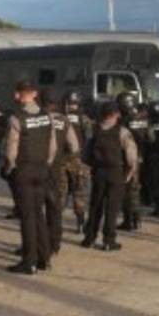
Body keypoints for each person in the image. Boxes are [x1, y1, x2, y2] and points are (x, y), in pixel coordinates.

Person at [3, 81, 57, 274]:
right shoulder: (47, 116)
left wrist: (11, 166)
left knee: (27, 217)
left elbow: (11, 150)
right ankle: (45, 258)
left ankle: (29, 262)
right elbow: (53, 147)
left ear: (18, 95)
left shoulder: (16, 118)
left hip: (24, 170)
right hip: (42, 169)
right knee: (39, 214)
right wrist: (46, 163)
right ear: (34, 94)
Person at [81, 101, 138, 250]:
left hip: (99, 173)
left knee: (95, 206)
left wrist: (93, 166)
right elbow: (132, 158)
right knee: (112, 209)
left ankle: (89, 238)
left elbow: (85, 155)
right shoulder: (123, 131)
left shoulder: (93, 130)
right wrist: (129, 174)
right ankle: (108, 240)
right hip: (116, 173)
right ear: (116, 114)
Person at [43, 88, 80, 253]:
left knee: (34, 210)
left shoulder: (35, 118)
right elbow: (74, 146)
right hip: (56, 168)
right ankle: (54, 244)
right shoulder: (64, 121)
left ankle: (34, 245)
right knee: (55, 208)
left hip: (35, 167)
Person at [59, 91, 92, 234]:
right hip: (78, 160)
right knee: (80, 194)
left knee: (61, 194)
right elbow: (89, 139)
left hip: (61, 161)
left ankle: (57, 223)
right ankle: (80, 223)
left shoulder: (59, 118)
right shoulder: (84, 119)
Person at [118, 92, 145, 231]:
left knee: (127, 189)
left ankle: (129, 221)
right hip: (139, 156)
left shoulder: (125, 120)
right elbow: (150, 138)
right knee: (134, 189)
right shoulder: (142, 118)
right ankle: (137, 219)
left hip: (126, 157)